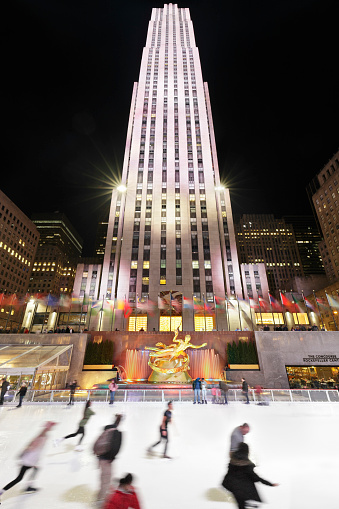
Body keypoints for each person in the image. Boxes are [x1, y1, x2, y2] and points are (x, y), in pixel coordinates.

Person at [0, 421, 57, 501]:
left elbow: (31, 445)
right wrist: (24, 454)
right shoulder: (42, 437)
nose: (52, 429)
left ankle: (27, 486)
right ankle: (4, 491)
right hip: (29, 459)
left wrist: (23, 454)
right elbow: (32, 446)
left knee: (29, 473)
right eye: (51, 427)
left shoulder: (42, 435)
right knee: (20, 478)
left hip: (30, 459)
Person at [222, 442, 279, 509]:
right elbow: (256, 478)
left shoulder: (232, 461)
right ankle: (248, 502)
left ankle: (247, 502)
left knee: (240, 505)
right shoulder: (247, 465)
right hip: (243, 490)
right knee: (242, 503)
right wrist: (270, 484)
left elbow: (229, 473)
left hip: (232, 487)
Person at [96, 414, 123, 505]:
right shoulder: (114, 432)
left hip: (102, 458)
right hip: (106, 459)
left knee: (105, 478)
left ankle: (102, 497)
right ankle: (100, 500)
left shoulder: (107, 431)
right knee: (106, 480)